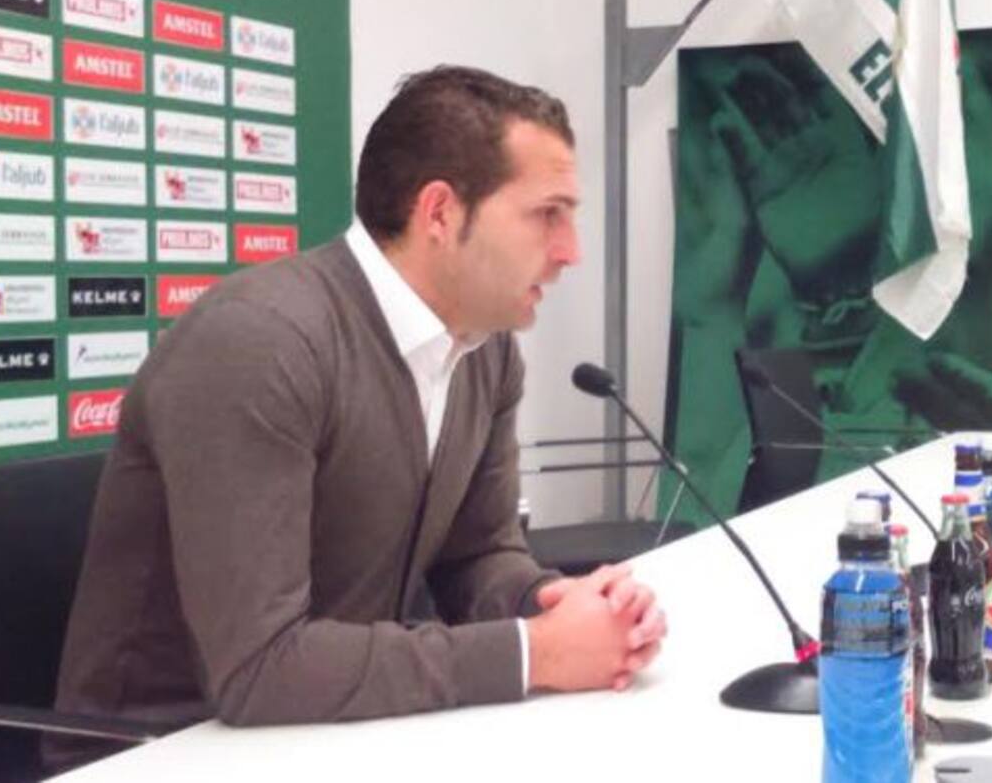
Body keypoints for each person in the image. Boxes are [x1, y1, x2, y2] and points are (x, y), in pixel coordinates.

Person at [52, 66, 667, 761]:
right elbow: (259, 669)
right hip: (159, 752)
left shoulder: (485, 350)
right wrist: (535, 652)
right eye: (546, 214)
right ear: (440, 213)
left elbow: (477, 556)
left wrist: (558, 608)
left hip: (338, 730)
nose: (570, 251)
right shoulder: (259, 342)